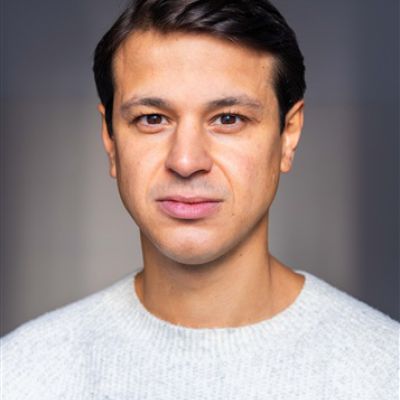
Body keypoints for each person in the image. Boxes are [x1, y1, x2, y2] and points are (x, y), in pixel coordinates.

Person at [1, 1, 398, 399]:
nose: (186, 161)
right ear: (111, 141)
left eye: (228, 119)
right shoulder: (21, 373)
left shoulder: (385, 371)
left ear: (288, 135)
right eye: (152, 119)